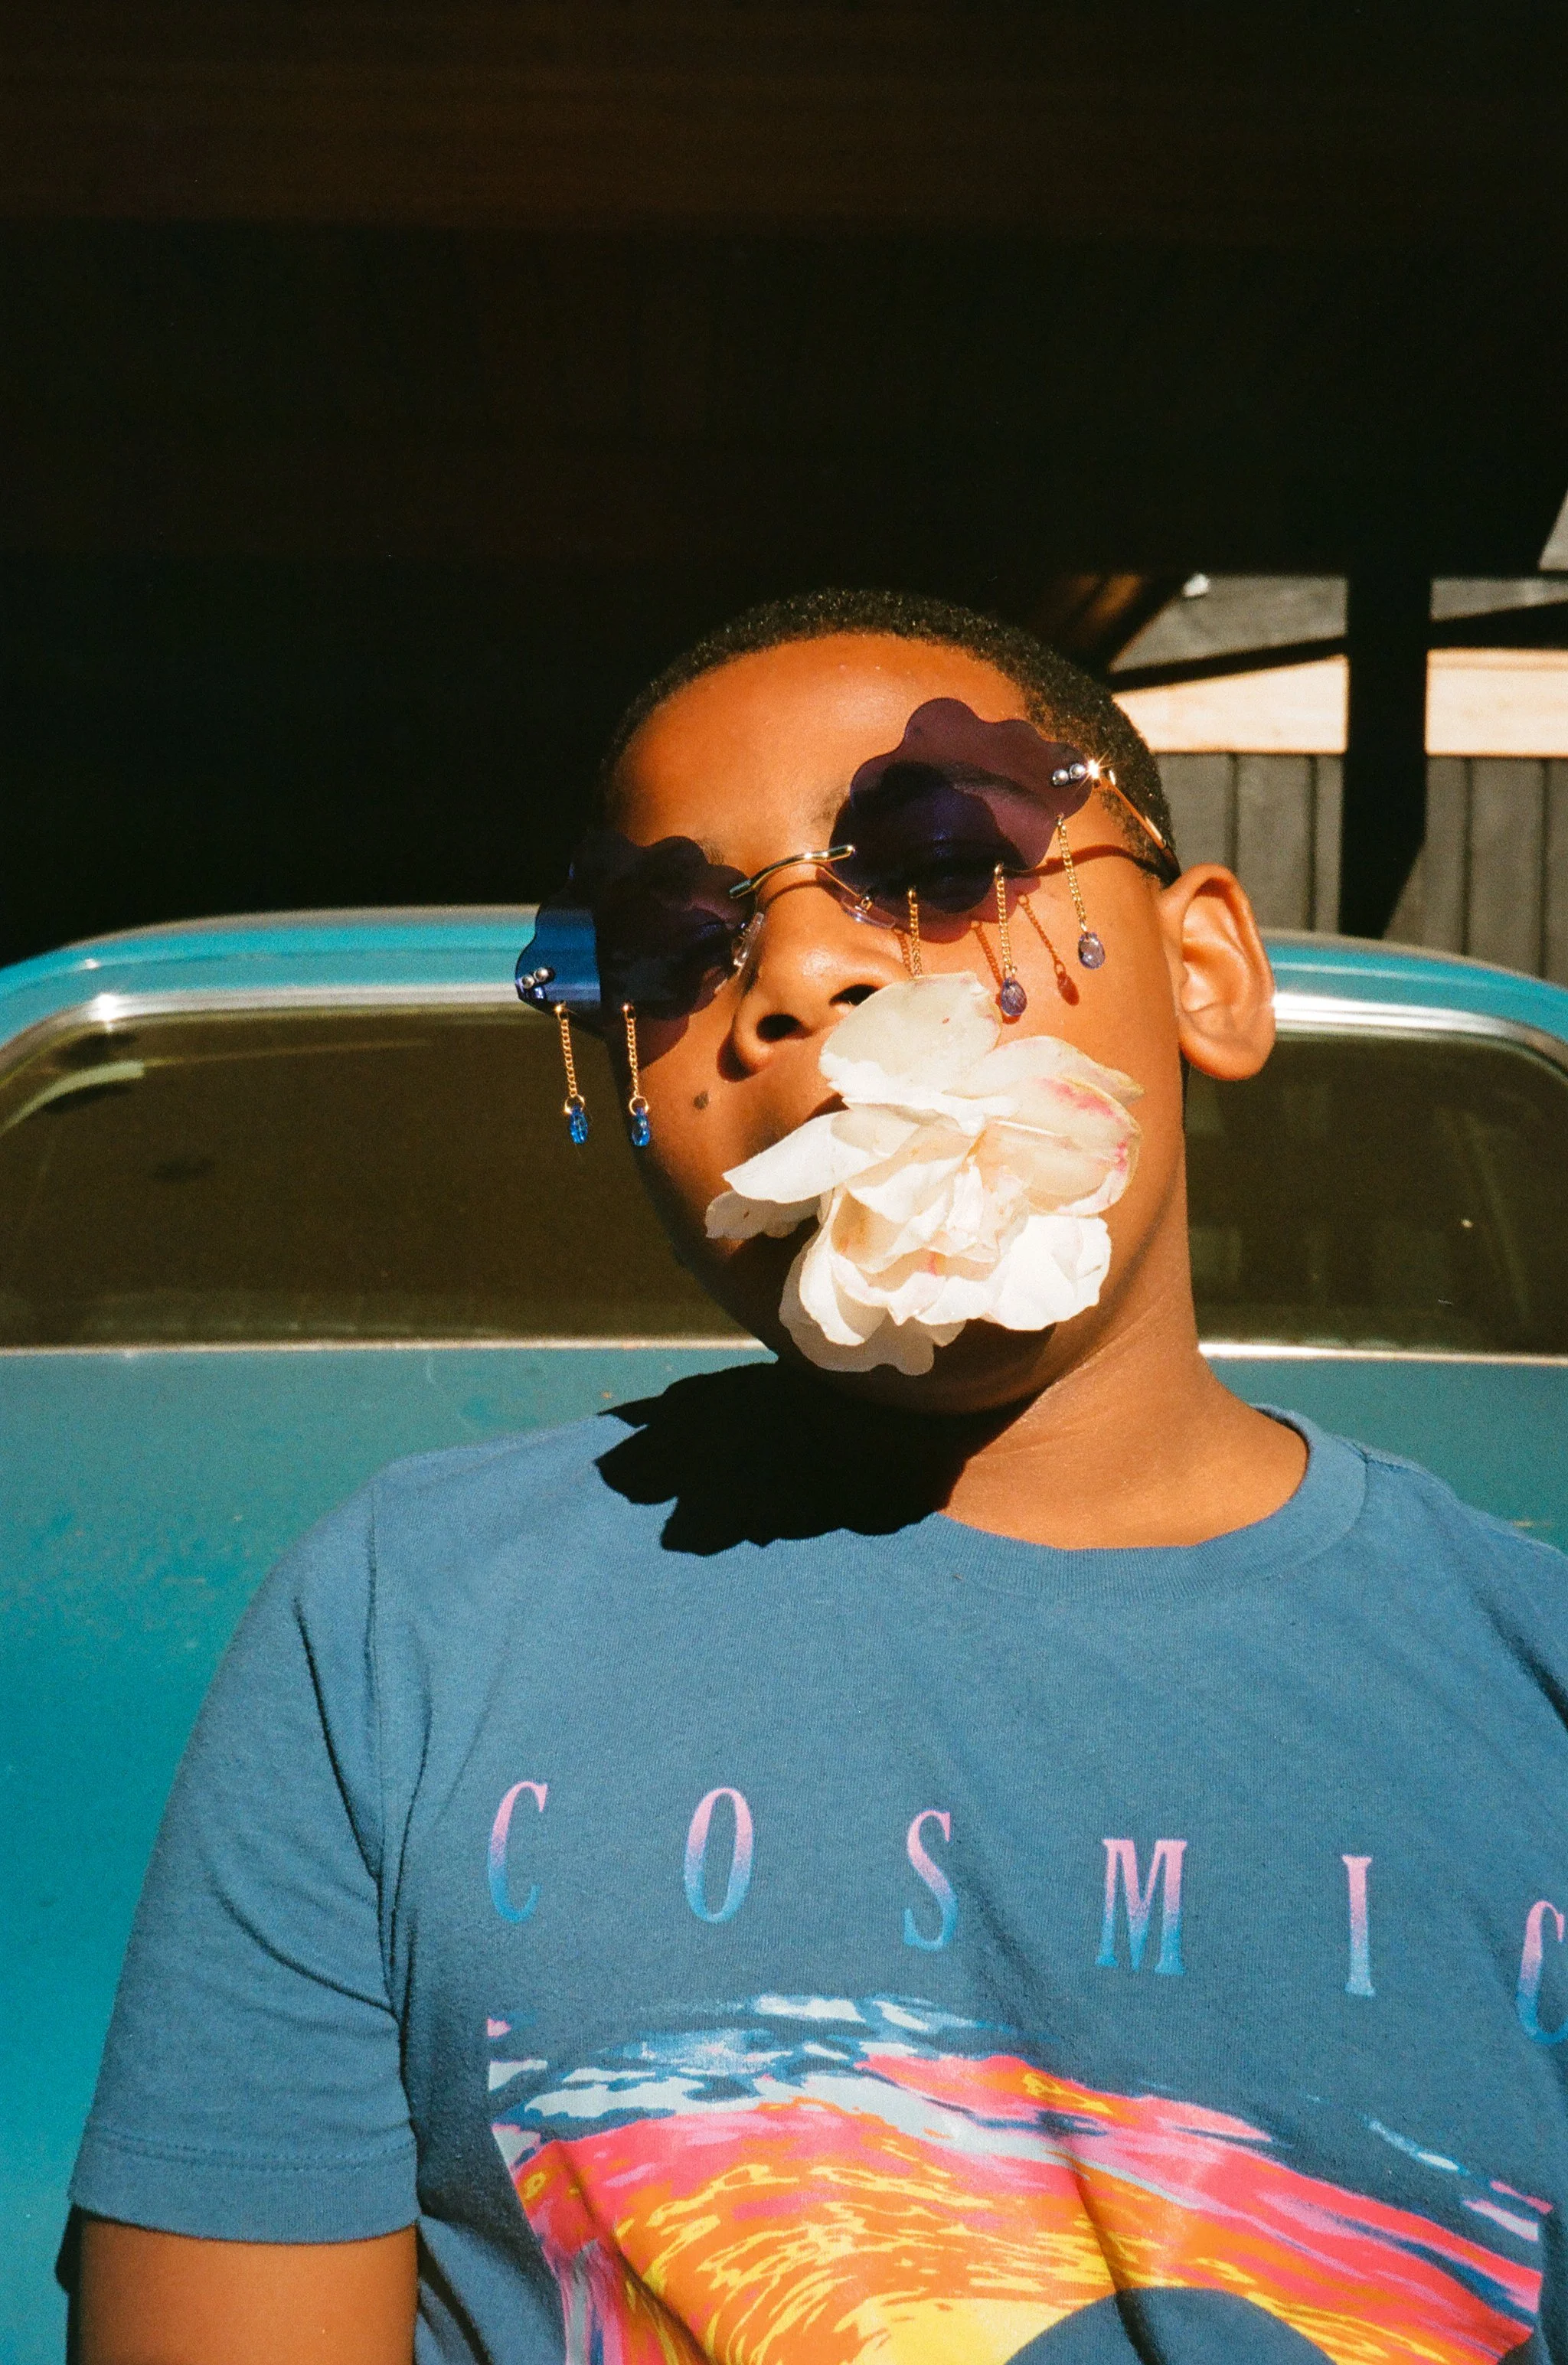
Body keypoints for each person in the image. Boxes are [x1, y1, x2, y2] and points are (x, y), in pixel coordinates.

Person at [70, 590, 1568, 2365]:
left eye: (938, 851)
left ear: (1206, 973)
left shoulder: (1525, 1681)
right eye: (667, 945)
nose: (789, 978)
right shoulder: (401, 1633)